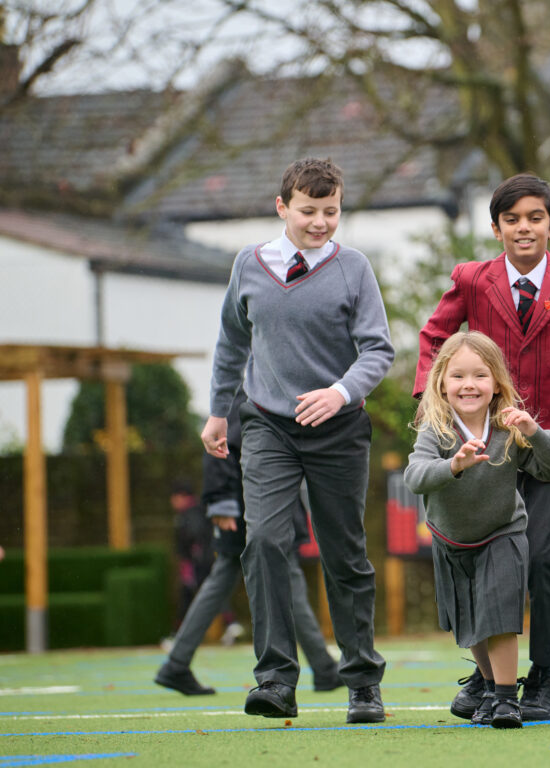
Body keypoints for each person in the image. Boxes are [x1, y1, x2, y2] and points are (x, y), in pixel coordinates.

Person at [414, 173, 550, 721]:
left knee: (543, 560)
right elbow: (434, 338)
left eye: (535, 218)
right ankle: (486, 679)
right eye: (512, 219)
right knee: (481, 558)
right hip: (484, 448)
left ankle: (543, 676)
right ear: (496, 227)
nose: (523, 228)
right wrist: (434, 402)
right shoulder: (471, 280)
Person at [201, 157, 394, 723]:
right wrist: (218, 413)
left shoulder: (353, 268)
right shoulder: (249, 265)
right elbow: (232, 341)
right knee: (263, 541)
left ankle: (361, 681)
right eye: (309, 211)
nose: (320, 222)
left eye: (331, 212)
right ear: (282, 207)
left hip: (337, 430)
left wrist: (339, 392)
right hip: (266, 426)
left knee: (344, 555)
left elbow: (378, 349)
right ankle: (275, 680)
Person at [405, 332, 550, 728]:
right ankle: (490, 689)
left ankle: (505, 700)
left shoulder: (510, 426)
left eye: (479, 375)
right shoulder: (436, 429)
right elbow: (415, 475)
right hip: (451, 539)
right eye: (458, 376)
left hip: (503, 533)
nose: (468, 385)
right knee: (471, 623)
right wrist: (454, 466)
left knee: (499, 617)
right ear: (441, 383)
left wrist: (535, 432)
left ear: (496, 382)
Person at [156, 390, 342, 697]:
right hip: (253, 509)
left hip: (248, 507)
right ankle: (323, 668)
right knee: (286, 580)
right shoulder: (251, 396)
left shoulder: (259, 392)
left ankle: (176, 664)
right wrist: (220, 503)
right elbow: (219, 446)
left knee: (227, 580)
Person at [170, 479, 213, 629]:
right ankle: (231, 623)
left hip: (196, 564)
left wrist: (191, 557)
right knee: (199, 594)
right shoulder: (198, 510)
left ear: (182, 496)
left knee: (192, 596)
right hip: (201, 561)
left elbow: (194, 535)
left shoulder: (191, 513)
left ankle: (178, 633)